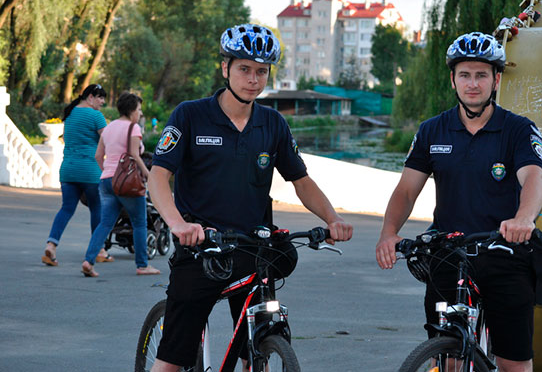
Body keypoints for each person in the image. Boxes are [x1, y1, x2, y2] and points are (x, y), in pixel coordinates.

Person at [147, 23, 353, 371]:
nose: (253, 79)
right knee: (171, 360)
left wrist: (331, 219)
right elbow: (158, 176)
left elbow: (300, 180)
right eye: (244, 69)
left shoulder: (273, 124)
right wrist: (178, 224)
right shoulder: (191, 115)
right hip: (202, 248)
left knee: (259, 348)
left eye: (261, 71)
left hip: (253, 249)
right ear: (225, 68)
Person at [375, 32, 542, 372]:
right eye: (464, 75)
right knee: (449, 358)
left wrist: (524, 219)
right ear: (453, 79)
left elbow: (533, 178)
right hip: (448, 252)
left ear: (496, 80)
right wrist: (389, 232)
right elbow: (407, 189)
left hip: (504, 251)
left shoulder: (519, 130)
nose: (473, 83)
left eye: (481, 75)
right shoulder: (431, 131)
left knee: (513, 363)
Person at [81, 92, 160, 277]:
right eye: (139, 110)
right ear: (132, 110)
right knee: (140, 223)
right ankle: (142, 265)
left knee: (105, 223)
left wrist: (108, 172)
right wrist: (148, 174)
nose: (140, 114)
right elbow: (134, 153)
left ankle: (88, 260)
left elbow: (98, 156)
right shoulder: (133, 128)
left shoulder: (108, 128)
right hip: (128, 182)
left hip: (107, 180)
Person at [42, 84, 114, 266]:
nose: (102, 102)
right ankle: (99, 250)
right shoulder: (96, 116)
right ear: (90, 97)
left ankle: (51, 245)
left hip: (68, 169)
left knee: (66, 208)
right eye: (100, 98)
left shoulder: (71, 113)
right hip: (90, 171)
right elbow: (108, 141)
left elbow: (67, 138)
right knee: (97, 209)